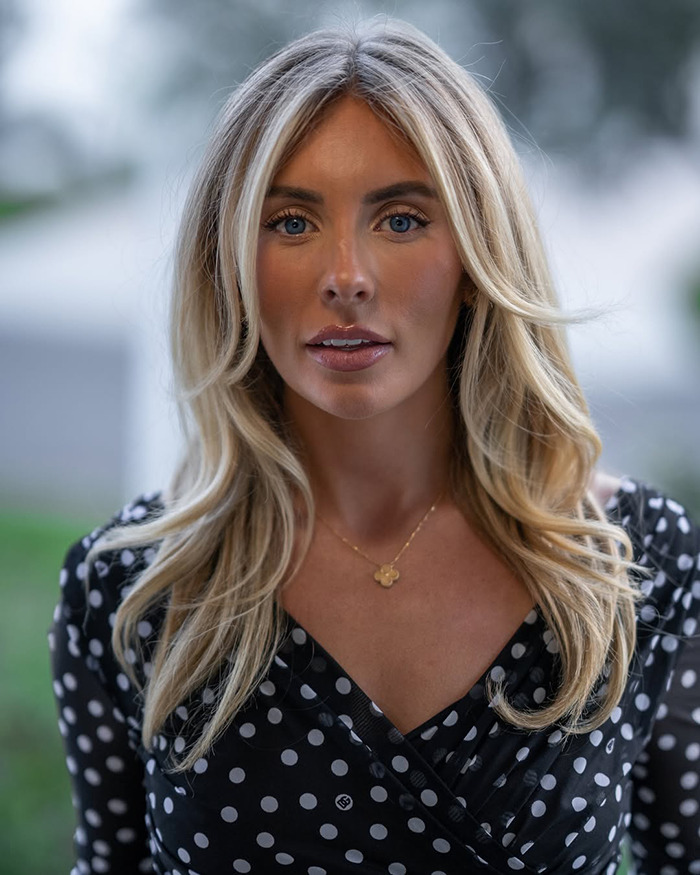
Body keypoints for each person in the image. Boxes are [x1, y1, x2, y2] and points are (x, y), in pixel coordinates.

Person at [49, 18, 700, 875]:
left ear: (475, 258)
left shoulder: (631, 561)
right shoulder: (132, 588)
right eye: (291, 221)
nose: (345, 274)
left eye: (399, 218)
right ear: (231, 266)